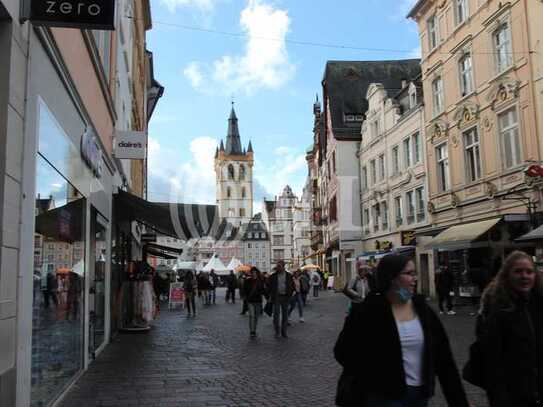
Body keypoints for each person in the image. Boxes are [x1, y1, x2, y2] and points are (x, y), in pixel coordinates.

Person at [334, 254, 469, 407]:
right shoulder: (368, 310)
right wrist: (374, 376)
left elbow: (445, 360)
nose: (415, 278)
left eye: (414, 273)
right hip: (382, 398)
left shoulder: (422, 310)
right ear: (392, 277)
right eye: (409, 273)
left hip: (419, 397)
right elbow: (342, 352)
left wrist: (459, 402)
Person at [476, 250, 543, 407]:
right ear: (507, 275)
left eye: (529, 272)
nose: (524, 276)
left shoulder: (539, 305)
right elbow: (492, 364)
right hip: (513, 396)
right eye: (518, 271)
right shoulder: (496, 311)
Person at [268, 261, 295, 338]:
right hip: (276, 297)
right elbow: (268, 286)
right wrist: (270, 295)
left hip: (285, 297)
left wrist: (290, 294)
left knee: (285, 315)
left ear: (283, 267)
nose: (278, 267)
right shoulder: (273, 276)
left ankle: (284, 332)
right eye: (277, 266)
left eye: (279, 266)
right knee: (276, 315)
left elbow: (292, 285)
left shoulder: (289, 275)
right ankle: (277, 331)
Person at [243, 267, 267, 338]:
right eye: (252, 272)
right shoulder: (247, 281)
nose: (253, 274)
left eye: (254, 272)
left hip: (258, 301)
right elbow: (245, 290)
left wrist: (267, 297)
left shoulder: (260, 281)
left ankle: (254, 329)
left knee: (256, 317)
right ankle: (252, 331)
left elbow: (263, 291)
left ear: (257, 273)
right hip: (250, 301)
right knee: (251, 316)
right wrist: (245, 297)